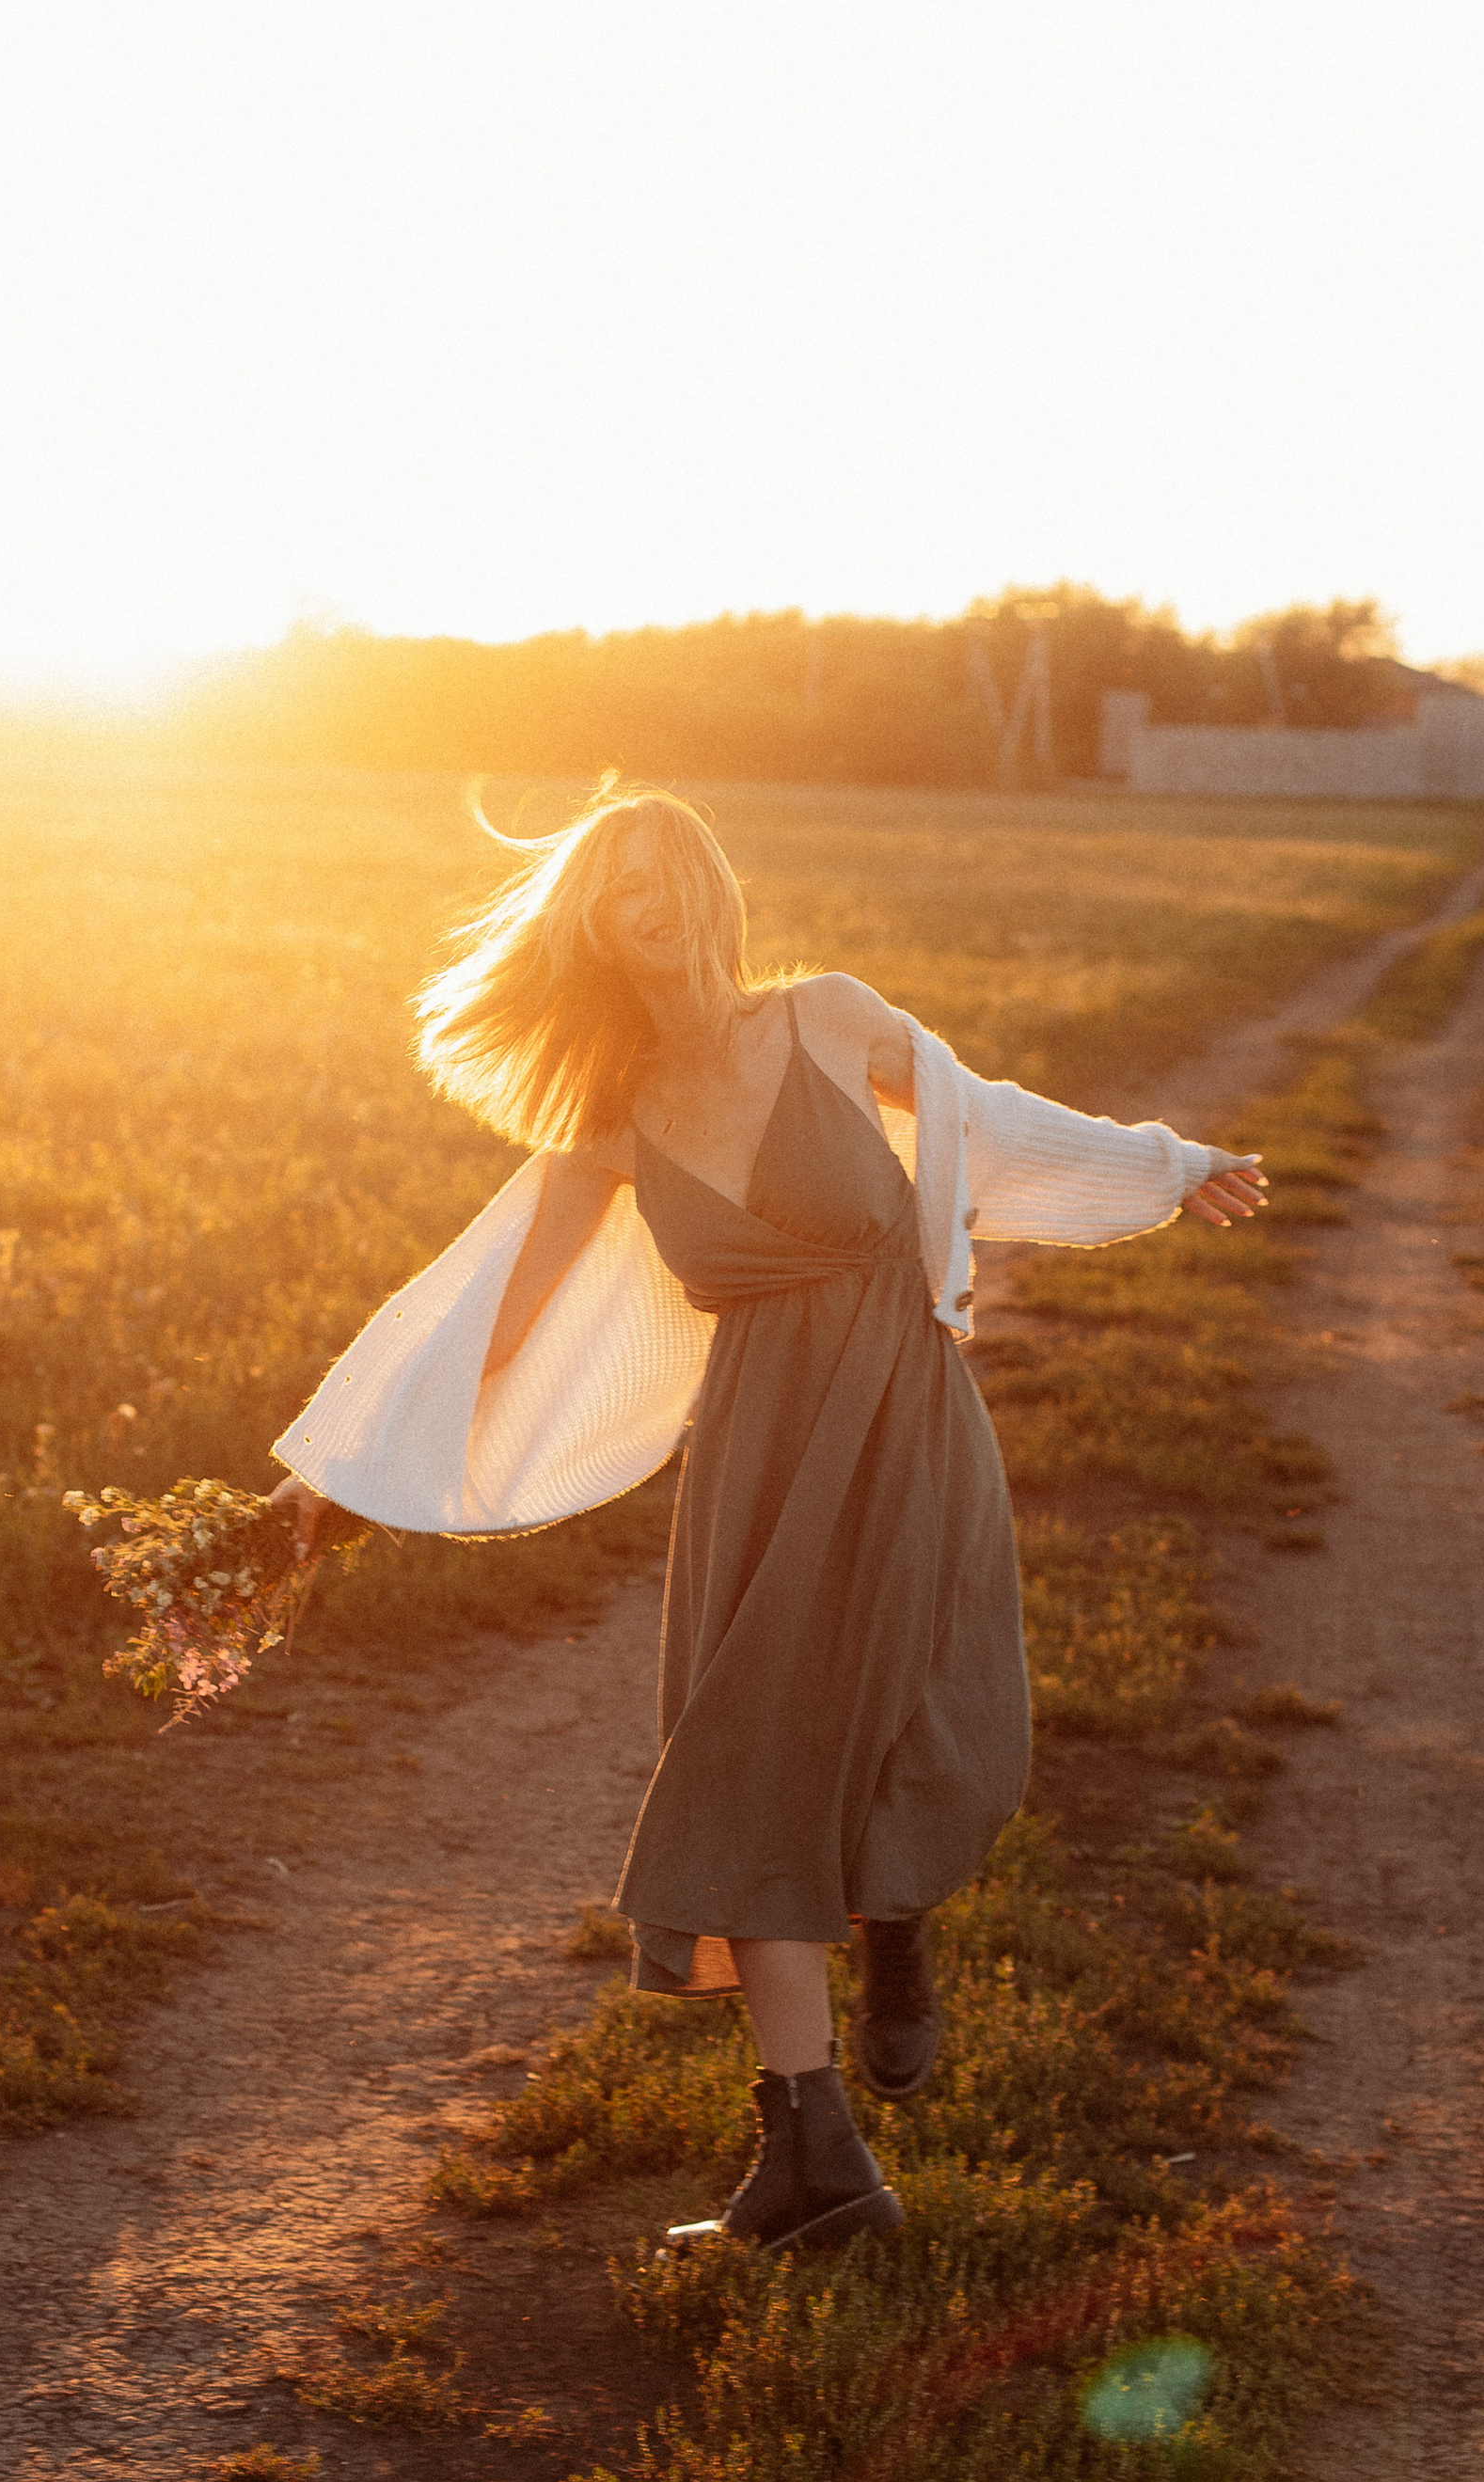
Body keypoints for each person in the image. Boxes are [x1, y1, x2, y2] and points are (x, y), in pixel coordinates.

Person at [272, 787, 1265, 2255]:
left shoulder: (830, 1018)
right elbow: (488, 1311)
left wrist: (1167, 1166)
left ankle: (898, 1913)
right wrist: (337, 1478)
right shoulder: (607, 1121)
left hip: (905, 1413)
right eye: (611, 887)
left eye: (660, 867)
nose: (642, 898)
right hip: (758, 1450)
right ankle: (817, 2160)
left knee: (926, 1703)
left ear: (708, 884)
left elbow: (985, 1124)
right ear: (592, 928)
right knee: (748, 1759)